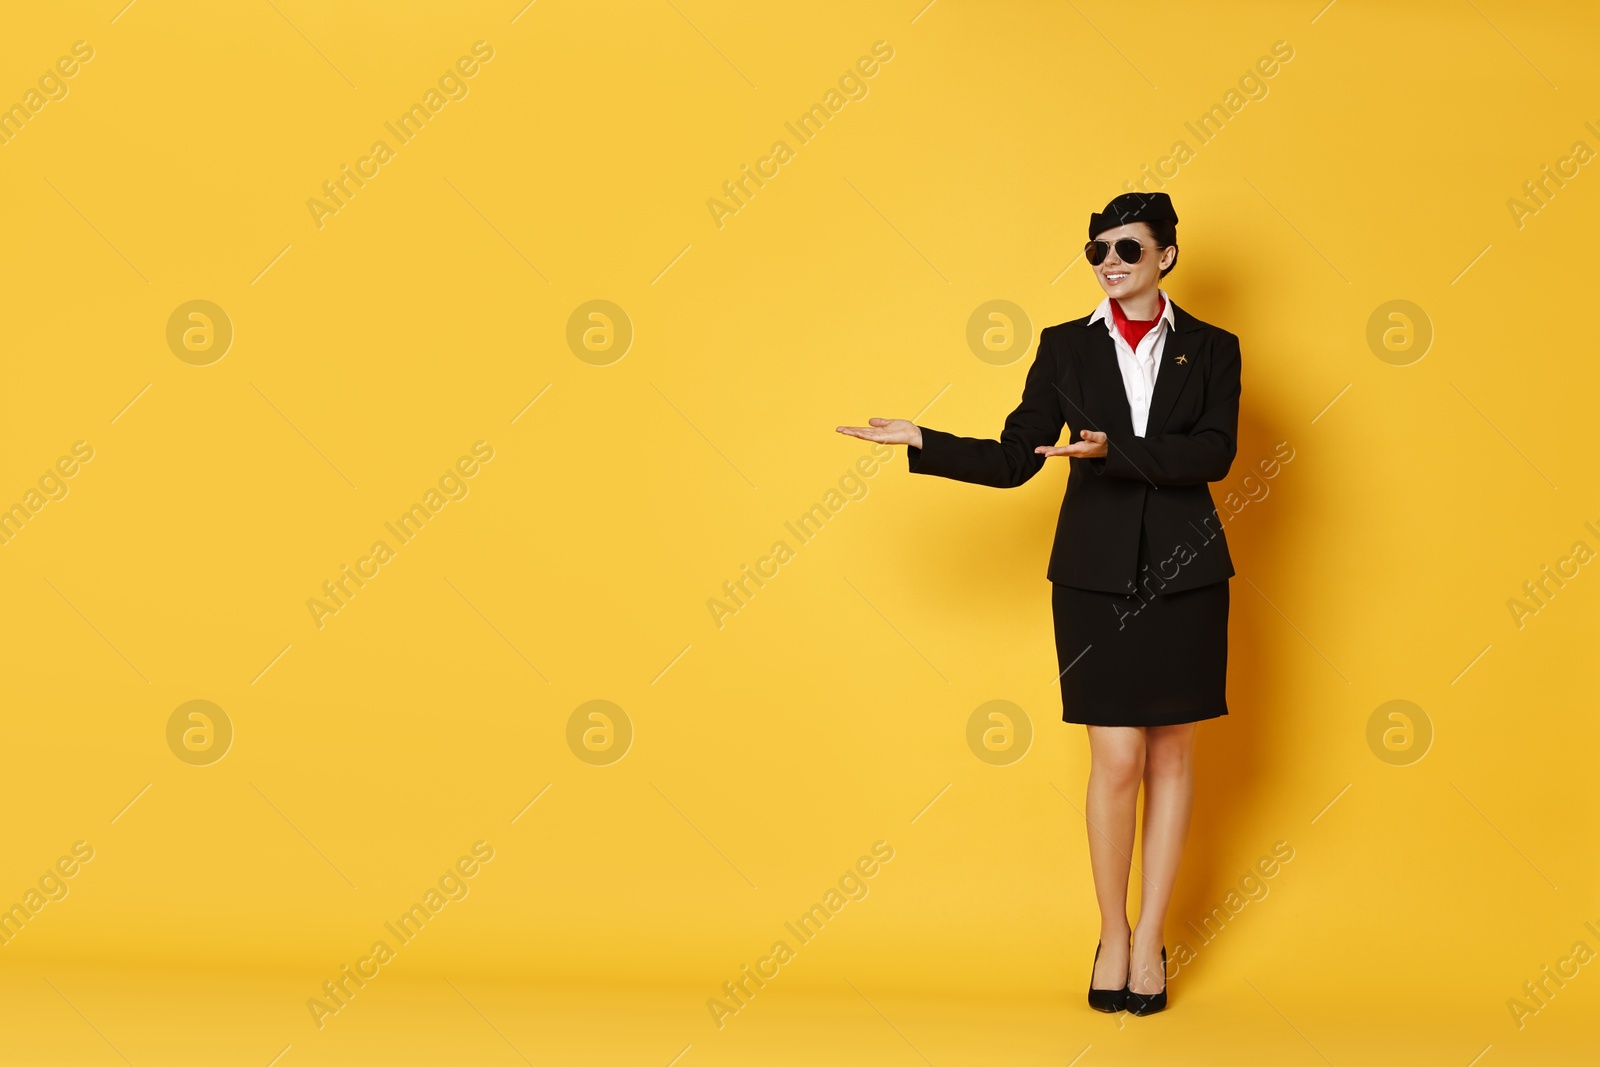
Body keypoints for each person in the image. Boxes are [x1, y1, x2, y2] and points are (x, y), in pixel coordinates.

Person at [836, 191, 1242, 1016]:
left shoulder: (1213, 347)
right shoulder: (1064, 348)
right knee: (1117, 757)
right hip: (1092, 577)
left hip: (1185, 574)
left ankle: (1153, 936)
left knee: (1171, 756)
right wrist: (926, 441)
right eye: (1096, 251)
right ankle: (1113, 932)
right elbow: (1019, 456)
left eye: (1127, 247)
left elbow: (1216, 451)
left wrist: (1112, 449)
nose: (1109, 263)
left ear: (1165, 254)